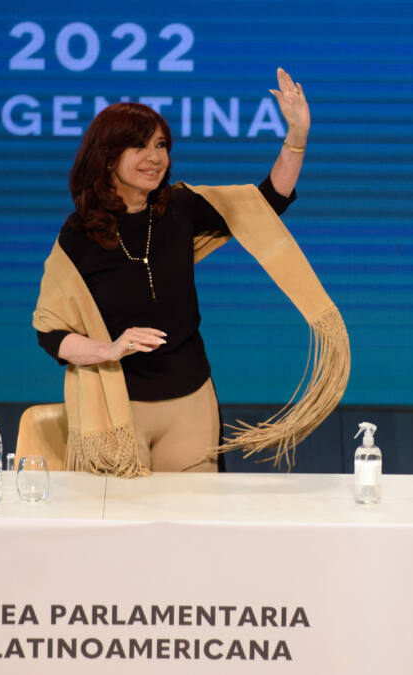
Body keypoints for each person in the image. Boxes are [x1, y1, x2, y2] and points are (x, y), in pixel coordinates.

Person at [33, 68, 311, 476]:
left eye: (160, 145)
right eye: (139, 146)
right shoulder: (79, 235)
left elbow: (268, 202)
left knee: (192, 515)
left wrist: (297, 136)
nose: (155, 158)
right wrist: (108, 350)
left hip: (191, 402)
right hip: (115, 407)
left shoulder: (180, 208)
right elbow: (51, 333)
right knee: (118, 516)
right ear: (107, 158)